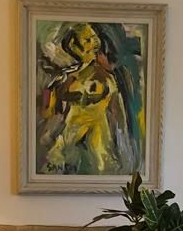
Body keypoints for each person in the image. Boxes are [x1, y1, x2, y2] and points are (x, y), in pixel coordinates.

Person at [39, 23, 132, 174]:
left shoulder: (107, 78)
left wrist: (121, 142)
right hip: (70, 138)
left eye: (94, 38)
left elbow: (117, 114)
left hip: (99, 140)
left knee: (101, 166)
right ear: (75, 48)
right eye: (87, 40)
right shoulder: (67, 78)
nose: (94, 43)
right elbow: (47, 111)